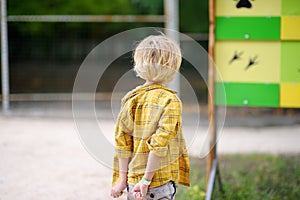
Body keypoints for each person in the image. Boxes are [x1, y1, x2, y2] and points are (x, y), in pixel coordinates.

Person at [110, 34, 190, 200]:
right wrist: (146, 181)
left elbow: (122, 142)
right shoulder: (170, 100)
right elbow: (159, 145)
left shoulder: (131, 98)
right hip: (158, 182)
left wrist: (122, 179)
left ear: (139, 64)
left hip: (133, 183)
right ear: (173, 67)